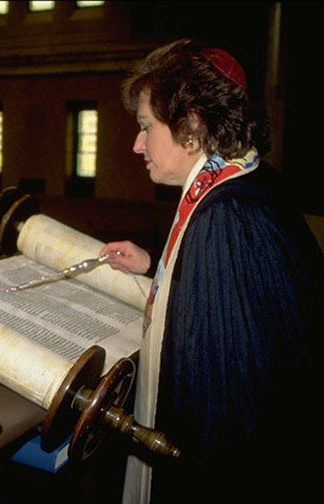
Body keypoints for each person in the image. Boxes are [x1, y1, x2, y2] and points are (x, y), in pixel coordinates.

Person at [99, 38, 323, 502]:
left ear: (192, 125)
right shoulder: (249, 181)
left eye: (146, 126)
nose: (136, 143)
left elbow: (226, 409)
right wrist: (153, 266)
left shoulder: (224, 218)